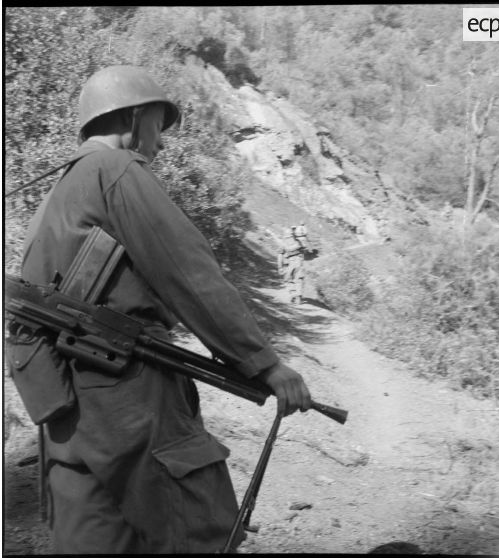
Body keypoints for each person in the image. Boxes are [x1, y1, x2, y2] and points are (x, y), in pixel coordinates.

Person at [20, 65, 311, 554]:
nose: (159, 141)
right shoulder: (116, 171)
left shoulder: (57, 195)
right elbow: (190, 273)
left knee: (94, 542)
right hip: (129, 399)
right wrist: (263, 363)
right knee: (198, 530)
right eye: (157, 124)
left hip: (65, 408)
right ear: (132, 118)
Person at [277, 225, 307, 304]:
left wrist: (280, 267)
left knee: (288, 279)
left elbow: (280, 256)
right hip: (298, 261)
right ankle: (298, 296)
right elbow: (304, 250)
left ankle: (292, 294)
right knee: (299, 278)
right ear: (292, 234)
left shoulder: (283, 243)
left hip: (289, 262)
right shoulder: (298, 241)